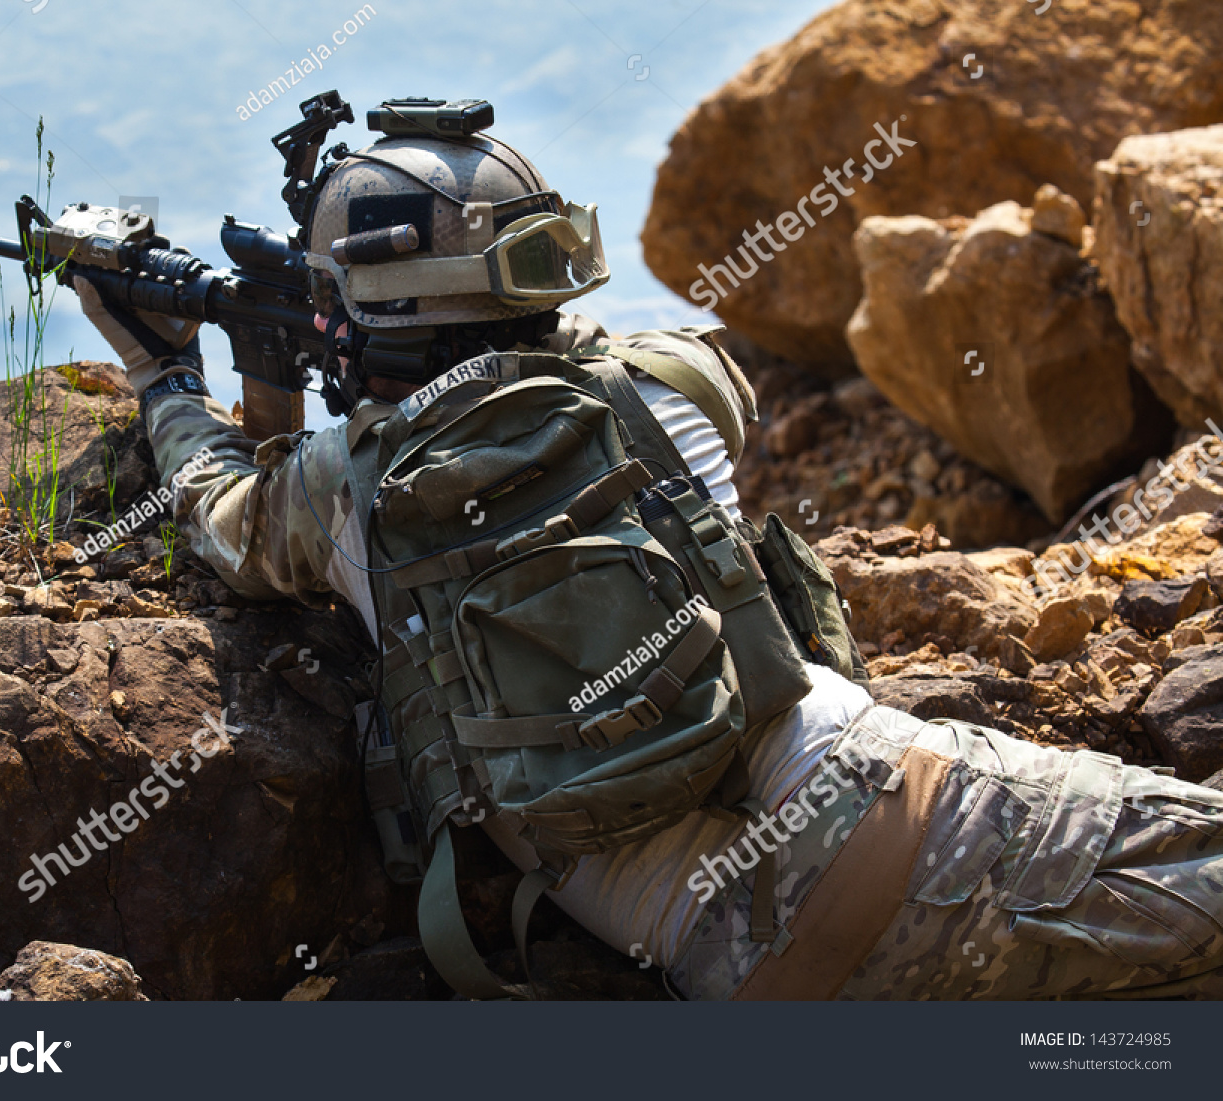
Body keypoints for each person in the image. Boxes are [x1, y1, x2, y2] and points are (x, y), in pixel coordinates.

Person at [73, 110, 1223, 1000]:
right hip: (911, 816)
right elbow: (600, 361)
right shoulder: (668, 388)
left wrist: (171, 377)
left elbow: (222, 501)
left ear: (358, 314)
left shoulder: (338, 496)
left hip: (745, 972)